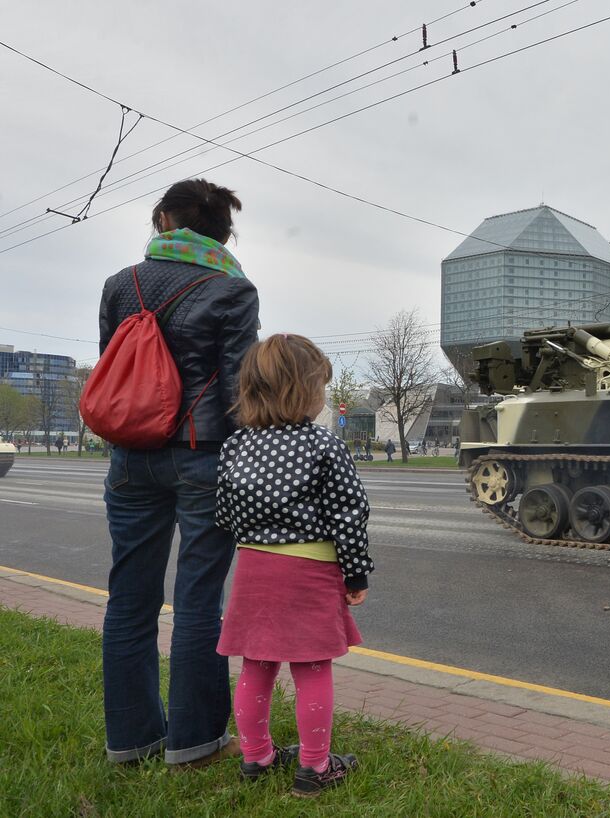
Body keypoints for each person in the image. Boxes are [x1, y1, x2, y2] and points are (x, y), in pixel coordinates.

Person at [98, 178, 259, 767]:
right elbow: (241, 387)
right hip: (203, 455)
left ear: (163, 219)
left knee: (129, 599)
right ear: (222, 232)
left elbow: (113, 370)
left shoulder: (122, 285)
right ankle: (194, 741)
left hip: (130, 456)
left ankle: (131, 741)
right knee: (198, 603)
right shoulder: (233, 289)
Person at [214, 333, 373, 795]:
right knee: (313, 667)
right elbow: (348, 514)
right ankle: (314, 768)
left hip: (252, 568)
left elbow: (223, 514)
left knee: (256, 664)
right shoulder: (323, 446)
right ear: (302, 391)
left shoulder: (236, 445)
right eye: (320, 387)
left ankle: (257, 756)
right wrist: (355, 571)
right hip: (309, 570)